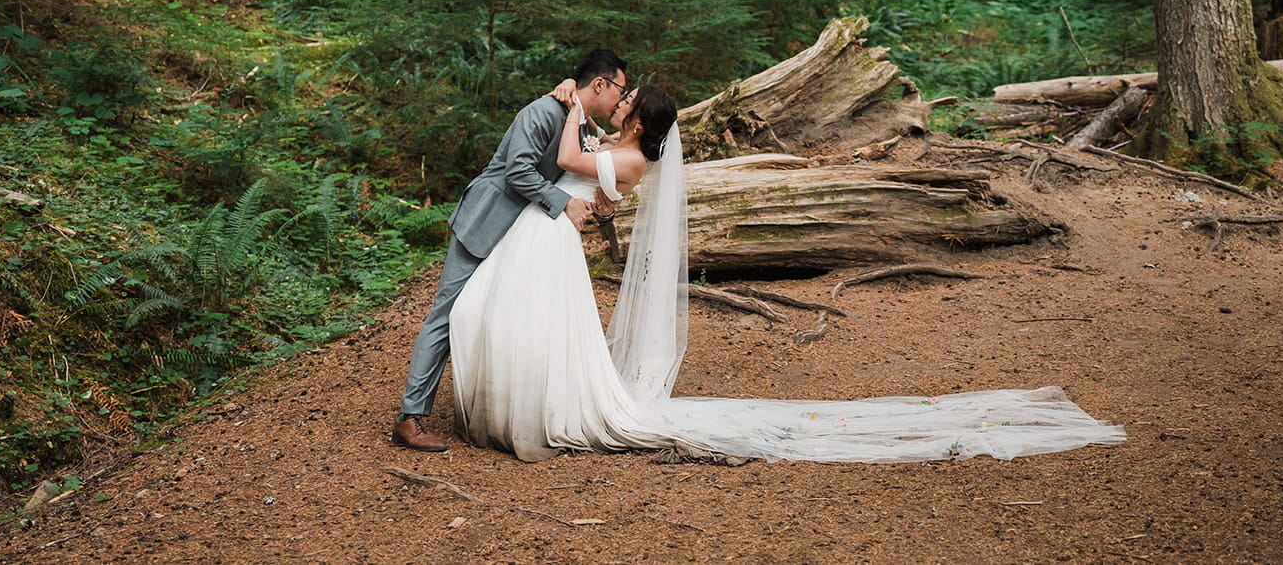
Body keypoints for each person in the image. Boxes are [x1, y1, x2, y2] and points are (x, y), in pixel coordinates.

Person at [449, 84, 1128, 463]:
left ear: (639, 120)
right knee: (504, 318)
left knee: (515, 321)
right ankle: (519, 402)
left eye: (626, 102)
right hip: (544, 236)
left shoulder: (629, 161)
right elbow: (584, 152)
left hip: (553, 239)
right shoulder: (625, 147)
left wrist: (568, 104)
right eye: (617, 97)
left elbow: (570, 149)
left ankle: (535, 410)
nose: (618, 102)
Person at [392, 49, 629, 452]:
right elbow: (518, 170)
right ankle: (411, 416)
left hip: (522, 237)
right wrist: (563, 202)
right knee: (447, 313)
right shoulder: (540, 112)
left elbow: (596, 164)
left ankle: (499, 407)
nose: (620, 99)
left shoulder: (582, 121)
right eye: (620, 89)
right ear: (600, 84)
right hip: (486, 224)